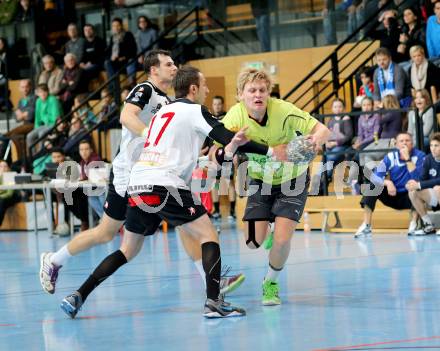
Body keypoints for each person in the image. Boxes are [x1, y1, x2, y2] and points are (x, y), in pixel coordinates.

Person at [60, 65, 287, 319]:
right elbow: (224, 135)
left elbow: (196, 146)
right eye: (204, 85)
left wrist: (222, 149)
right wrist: (269, 151)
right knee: (208, 235)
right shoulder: (194, 110)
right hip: (165, 184)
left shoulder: (162, 112)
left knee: (127, 250)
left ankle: (78, 295)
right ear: (193, 89)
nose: (207, 90)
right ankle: (214, 302)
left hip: (138, 183)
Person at [39, 50, 244, 299]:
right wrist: (150, 136)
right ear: (153, 70)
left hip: (152, 175)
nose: (174, 67)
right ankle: (54, 260)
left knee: (183, 225)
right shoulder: (145, 89)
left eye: (174, 63)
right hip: (127, 173)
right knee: (105, 233)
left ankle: (210, 282)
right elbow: (126, 116)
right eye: (168, 64)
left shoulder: (170, 103)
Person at [211, 67, 330, 306]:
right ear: (240, 94)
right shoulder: (235, 116)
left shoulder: (284, 111)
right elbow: (215, 152)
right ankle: (269, 230)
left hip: (292, 179)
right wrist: (229, 150)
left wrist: (312, 143)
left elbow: (323, 130)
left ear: (269, 93)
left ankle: (270, 283)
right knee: (253, 242)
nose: (258, 94)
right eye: (252, 90)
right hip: (260, 180)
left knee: (283, 239)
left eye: (262, 90)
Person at [354, 132, 425, 238]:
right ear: (396, 144)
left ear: (412, 143)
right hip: (393, 194)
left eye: (407, 140)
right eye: (401, 141)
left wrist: (408, 159)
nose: (404, 143)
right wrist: (387, 182)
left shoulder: (420, 156)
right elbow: (375, 177)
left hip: (410, 196)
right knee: (372, 186)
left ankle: (414, 224)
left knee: (417, 189)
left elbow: (419, 179)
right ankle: (367, 225)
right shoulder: (390, 157)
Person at [406, 132, 440, 235]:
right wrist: (414, 183)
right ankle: (428, 224)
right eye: (431, 145)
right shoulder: (428, 158)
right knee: (412, 191)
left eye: (436, 146)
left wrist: (419, 185)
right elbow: (422, 179)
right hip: (435, 196)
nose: (433, 148)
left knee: (438, 188)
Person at [209, 95, 235, 220]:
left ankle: (232, 211)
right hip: (213, 155)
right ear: (212, 105)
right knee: (215, 182)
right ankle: (216, 210)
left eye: (219, 104)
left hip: (227, 154)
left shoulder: (229, 117)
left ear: (222, 105)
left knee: (229, 181)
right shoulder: (209, 118)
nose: (217, 106)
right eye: (215, 104)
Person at [27, 84, 62, 157]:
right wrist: (36, 128)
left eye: (44, 92)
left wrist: (45, 117)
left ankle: (41, 154)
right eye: (40, 92)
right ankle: (33, 156)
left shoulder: (53, 99)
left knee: (42, 133)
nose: (42, 94)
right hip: (45, 125)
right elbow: (37, 117)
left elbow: (56, 117)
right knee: (29, 136)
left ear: (47, 92)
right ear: (37, 93)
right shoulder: (38, 101)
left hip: (54, 124)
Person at [104, 17, 137, 90]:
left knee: (131, 61)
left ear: (121, 26)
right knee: (107, 62)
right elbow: (108, 51)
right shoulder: (113, 37)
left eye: (117, 25)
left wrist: (124, 57)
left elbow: (132, 49)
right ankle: (114, 86)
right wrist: (111, 57)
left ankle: (132, 86)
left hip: (125, 60)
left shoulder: (128, 34)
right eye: (114, 26)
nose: (116, 27)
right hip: (116, 61)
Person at [325, 98, 353, 179]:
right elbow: (327, 133)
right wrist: (326, 142)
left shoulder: (346, 119)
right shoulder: (331, 120)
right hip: (330, 145)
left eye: (340, 106)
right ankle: (323, 180)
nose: (337, 108)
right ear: (332, 108)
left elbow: (348, 136)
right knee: (325, 158)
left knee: (329, 157)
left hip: (342, 146)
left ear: (343, 108)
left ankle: (326, 179)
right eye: (335, 107)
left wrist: (335, 143)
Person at [78, 140, 106, 218]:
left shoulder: (95, 159)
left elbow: (88, 176)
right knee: (90, 198)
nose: (84, 152)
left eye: (86, 149)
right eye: (81, 150)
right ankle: (105, 221)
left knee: (100, 198)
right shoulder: (82, 162)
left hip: (103, 189)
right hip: (93, 189)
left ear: (91, 150)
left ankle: (106, 221)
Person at [0, 160, 19, 226]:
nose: (3, 168)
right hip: (2, 197)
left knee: (1, 202)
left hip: (11, 197)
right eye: (1, 166)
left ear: (8, 168)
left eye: (5, 166)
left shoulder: (10, 176)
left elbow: (9, 193)